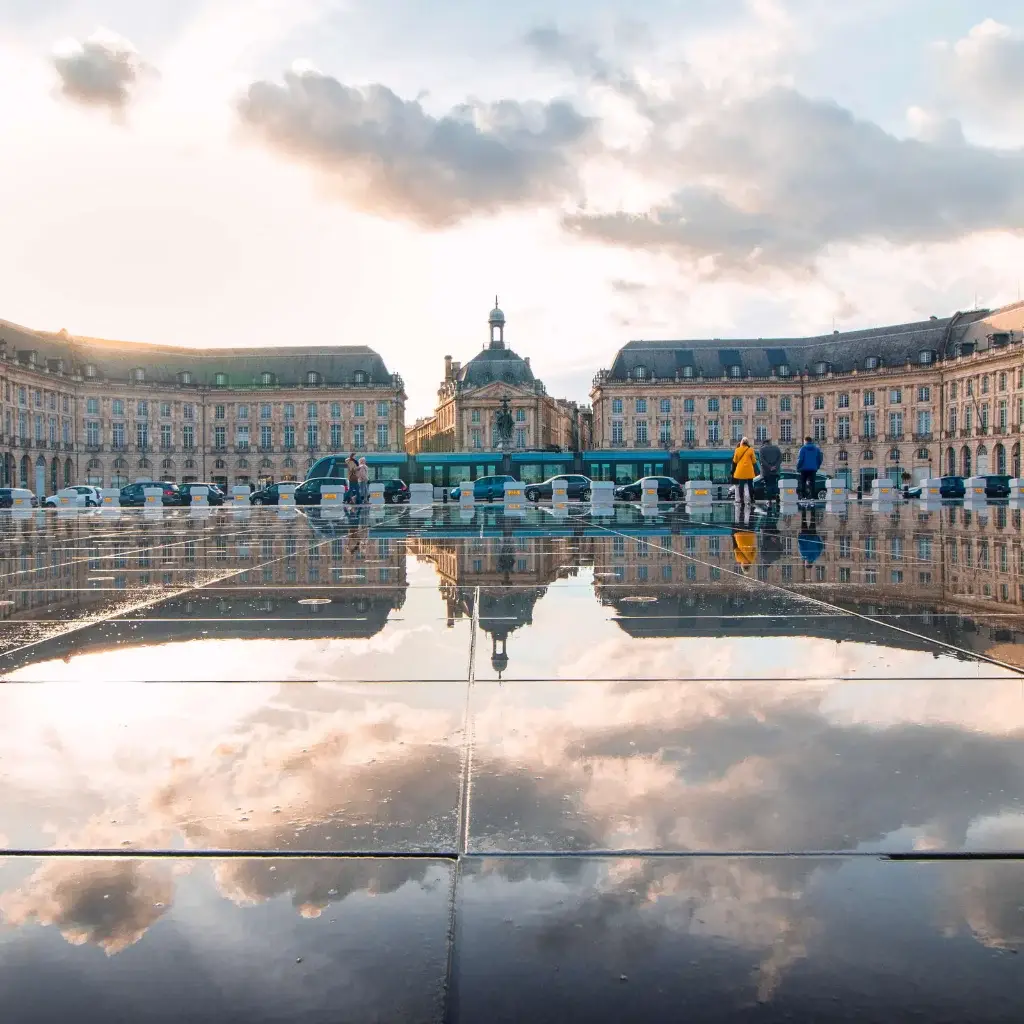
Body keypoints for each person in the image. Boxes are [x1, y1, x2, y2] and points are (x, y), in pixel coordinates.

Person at [732, 436, 756, 510]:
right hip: (749, 470)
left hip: (741, 470)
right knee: (750, 485)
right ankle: (752, 499)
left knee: (741, 485)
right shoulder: (751, 450)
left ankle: (742, 500)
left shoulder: (737, 450)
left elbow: (735, 460)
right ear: (747, 442)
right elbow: (754, 461)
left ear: (741, 442)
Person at [796, 436, 823, 500]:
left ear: (805, 441)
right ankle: (812, 497)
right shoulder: (817, 449)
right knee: (812, 483)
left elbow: (800, 459)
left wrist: (798, 467)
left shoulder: (802, 449)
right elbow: (820, 459)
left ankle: (803, 497)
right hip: (813, 469)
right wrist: (817, 466)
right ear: (811, 441)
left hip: (804, 469)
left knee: (803, 482)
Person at [758, 437, 783, 507]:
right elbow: (780, 458)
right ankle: (777, 494)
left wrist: (769, 467)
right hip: (775, 470)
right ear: (770, 443)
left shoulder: (762, 449)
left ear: (764, 443)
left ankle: (769, 501)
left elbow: (762, 460)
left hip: (766, 471)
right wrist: (775, 466)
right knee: (774, 484)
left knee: (768, 485)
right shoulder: (777, 448)